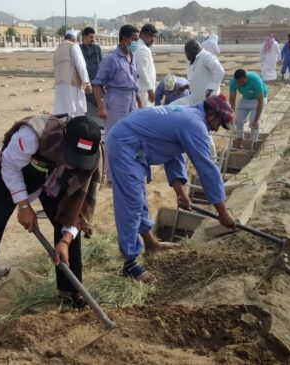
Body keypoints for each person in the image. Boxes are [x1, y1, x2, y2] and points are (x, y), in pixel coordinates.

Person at [0, 115, 101, 307]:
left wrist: (65, 240)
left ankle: (70, 291)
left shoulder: (92, 162)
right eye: (73, 157)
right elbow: (10, 167)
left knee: (67, 219)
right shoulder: (32, 136)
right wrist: (24, 206)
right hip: (16, 170)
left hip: (54, 180)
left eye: (81, 160)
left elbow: (77, 210)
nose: (75, 164)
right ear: (63, 142)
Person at [107, 95, 237, 283]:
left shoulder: (189, 116)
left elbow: (172, 152)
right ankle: (130, 263)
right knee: (132, 202)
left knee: (138, 197)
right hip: (125, 144)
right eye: (218, 123)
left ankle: (151, 244)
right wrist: (222, 212)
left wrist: (180, 192)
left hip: (133, 142)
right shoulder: (195, 123)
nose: (216, 129)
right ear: (210, 113)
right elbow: (207, 168)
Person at [92, 24, 141, 182]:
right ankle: (112, 177)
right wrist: (100, 107)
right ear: (125, 39)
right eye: (134, 39)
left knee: (131, 137)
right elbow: (97, 84)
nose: (136, 43)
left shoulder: (131, 57)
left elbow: (134, 82)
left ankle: (126, 170)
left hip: (131, 100)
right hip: (116, 100)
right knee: (114, 137)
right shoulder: (111, 58)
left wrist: (138, 101)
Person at [53, 29, 91, 118]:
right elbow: (81, 65)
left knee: (62, 112)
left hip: (59, 85)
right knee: (76, 112)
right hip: (72, 84)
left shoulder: (58, 49)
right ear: (74, 39)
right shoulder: (74, 46)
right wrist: (87, 82)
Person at [229, 69, 268, 149]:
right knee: (238, 120)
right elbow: (232, 99)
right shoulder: (233, 82)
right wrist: (233, 113)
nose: (239, 84)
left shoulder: (255, 81)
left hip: (258, 99)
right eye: (238, 83)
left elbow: (260, 101)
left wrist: (256, 120)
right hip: (246, 98)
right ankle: (240, 141)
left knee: (253, 123)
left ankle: (254, 144)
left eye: (241, 82)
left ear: (246, 78)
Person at [177, 39, 225, 104]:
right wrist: (186, 86)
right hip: (195, 98)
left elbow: (219, 71)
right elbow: (198, 80)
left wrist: (210, 90)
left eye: (188, 54)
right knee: (173, 106)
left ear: (195, 49)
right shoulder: (193, 60)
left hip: (208, 101)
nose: (187, 56)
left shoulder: (207, 57)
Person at [79, 27, 102, 125]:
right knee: (86, 108)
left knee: (99, 105)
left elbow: (102, 64)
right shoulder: (78, 49)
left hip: (97, 84)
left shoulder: (97, 48)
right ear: (84, 37)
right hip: (84, 85)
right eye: (90, 37)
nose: (93, 39)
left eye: (94, 37)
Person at [134, 24, 158, 108]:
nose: (153, 39)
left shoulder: (141, 47)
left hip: (143, 89)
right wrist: (150, 90)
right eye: (150, 36)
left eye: (154, 36)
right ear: (142, 35)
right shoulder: (142, 49)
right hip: (143, 91)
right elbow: (142, 71)